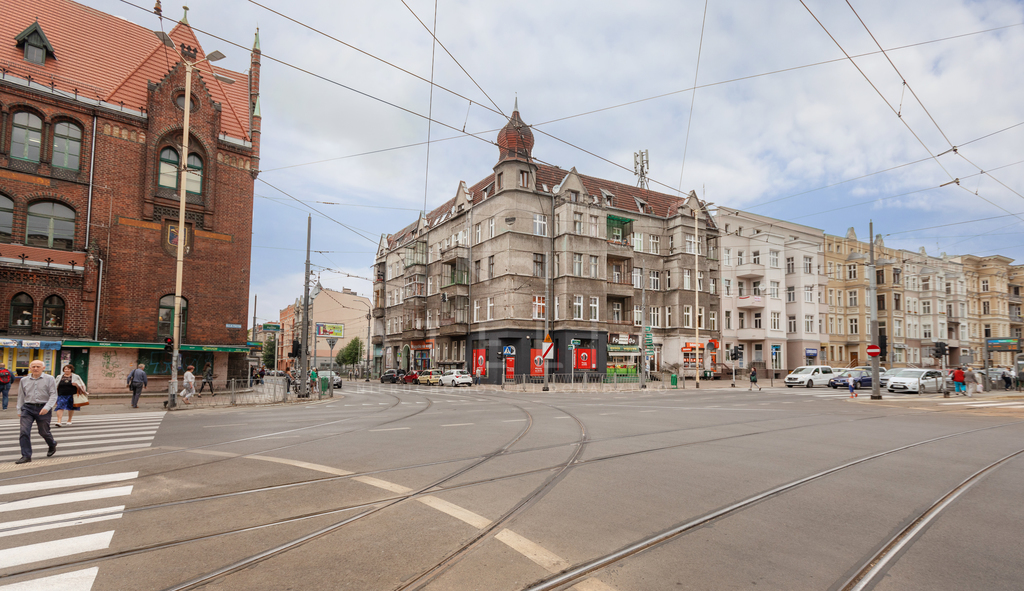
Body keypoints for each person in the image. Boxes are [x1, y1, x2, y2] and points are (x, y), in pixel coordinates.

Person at [15, 360, 57, 464]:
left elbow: (53, 395)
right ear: (30, 368)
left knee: (43, 431)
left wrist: (47, 407)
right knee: (24, 431)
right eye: (33, 366)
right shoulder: (24, 380)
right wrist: (19, 409)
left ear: (43, 368)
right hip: (27, 408)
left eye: (38, 366)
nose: (35, 368)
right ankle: (26, 456)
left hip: (43, 407)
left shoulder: (50, 379)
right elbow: (21, 395)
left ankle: (52, 444)